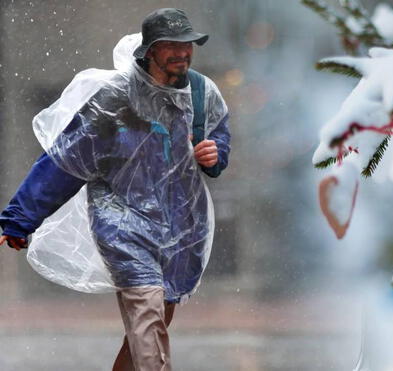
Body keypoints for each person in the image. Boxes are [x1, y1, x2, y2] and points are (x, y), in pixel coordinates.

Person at [0, 8, 230, 371]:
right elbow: (65, 162)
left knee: (153, 322)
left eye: (187, 45)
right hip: (122, 221)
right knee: (147, 308)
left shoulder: (202, 93)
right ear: (149, 50)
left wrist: (213, 154)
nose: (182, 53)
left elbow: (217, 141)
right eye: (170, 45)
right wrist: (20, 219)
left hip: (182, 223)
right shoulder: (114, 100)